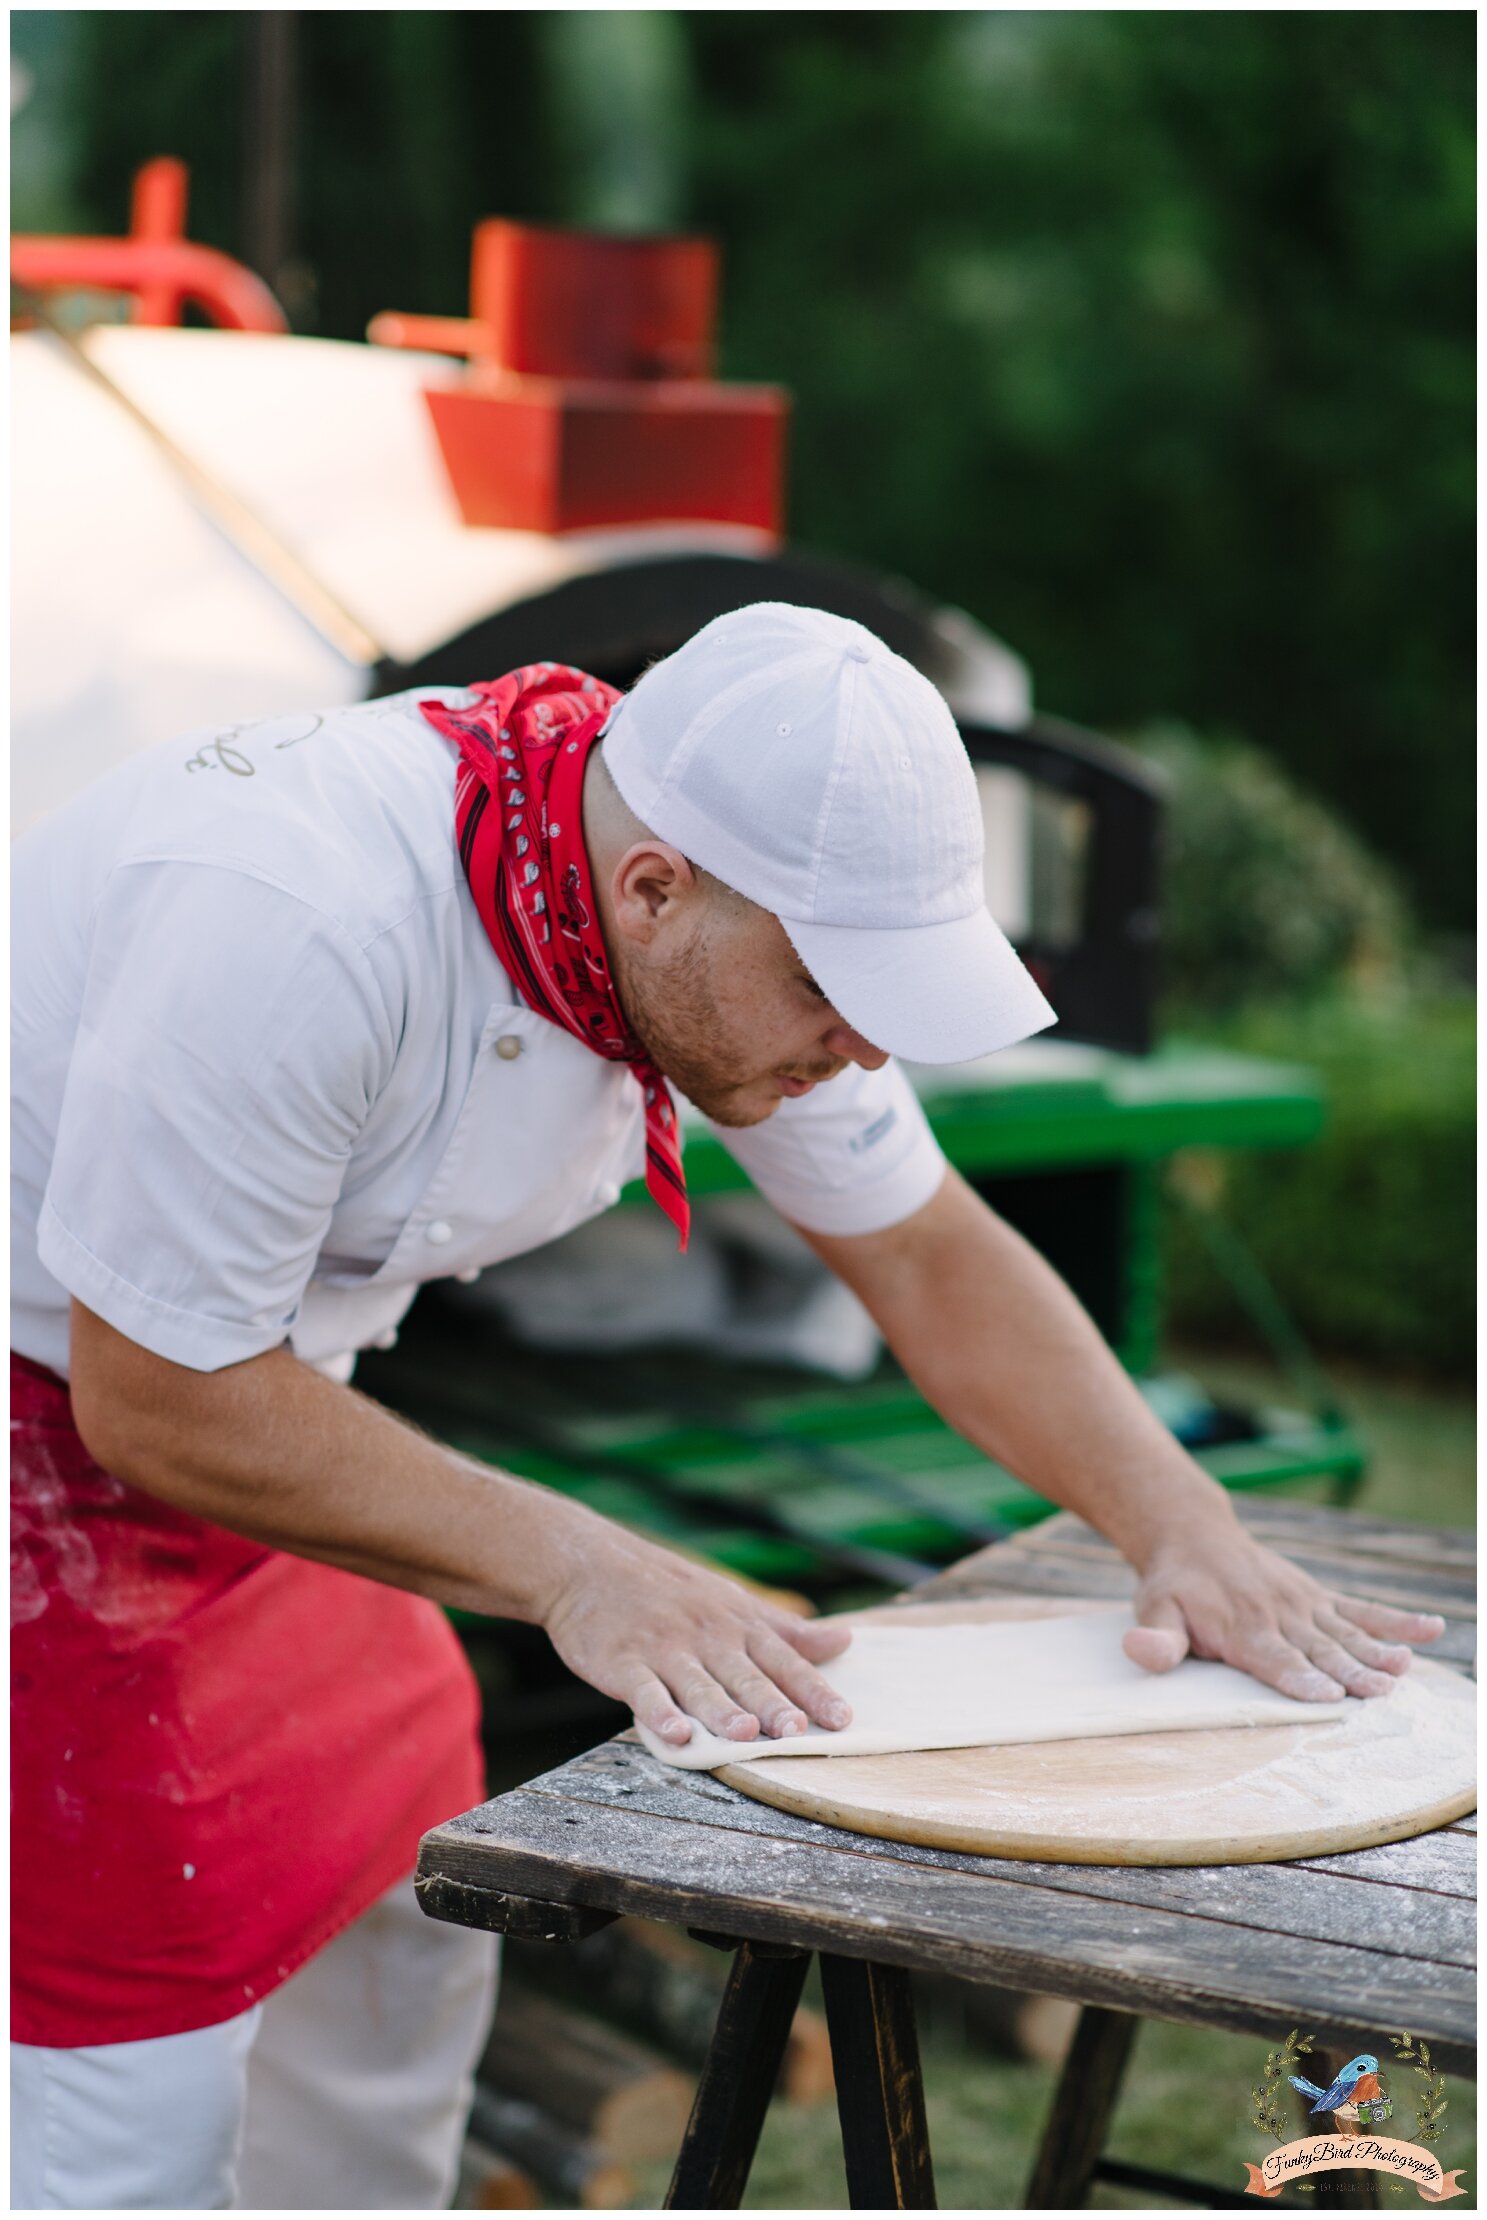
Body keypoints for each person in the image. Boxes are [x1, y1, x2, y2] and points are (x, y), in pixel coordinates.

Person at [10, 603, 1441, 2208]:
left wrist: (1185, 1529)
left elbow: (931, 1259)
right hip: (45, 1457)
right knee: (124, 2087)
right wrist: (583, 1566)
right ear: (651, 887)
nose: (866, 1044)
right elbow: (158, 1400)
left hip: (263, 1417)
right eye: (839, 991)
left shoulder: (695, 911)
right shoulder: (293, 917)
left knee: (401, 1939)